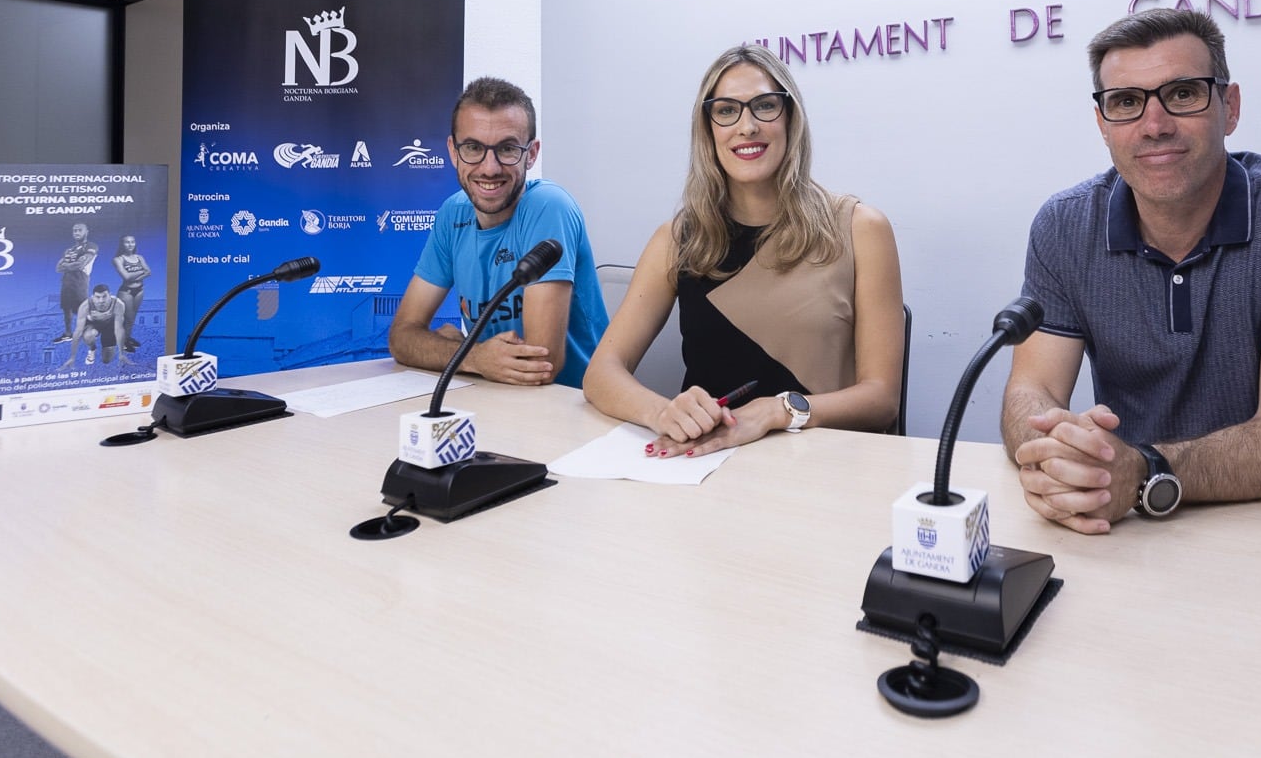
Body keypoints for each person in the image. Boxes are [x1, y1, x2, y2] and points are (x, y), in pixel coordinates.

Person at [1001, 9, 1261, 533]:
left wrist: (1141, 471)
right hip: (1126, 524)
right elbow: (1030, 388)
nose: (1155, 126)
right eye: (1127, 102)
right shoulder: (1064, 225)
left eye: (1183, 94)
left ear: (1230, 106)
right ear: (1103, 124)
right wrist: (1058, 453)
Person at [583, 45, 904, 456]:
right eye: (726, 111)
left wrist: (776, 411)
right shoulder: (679, 237)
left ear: (790, 118)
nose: (746, 126)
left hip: (825, 469)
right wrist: (664, 414)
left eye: (764, 106)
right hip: (706, 468)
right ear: (708, 128)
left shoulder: (861, 228)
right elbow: (601, 374)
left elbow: (881, 400)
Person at [387, 77, 608, 387]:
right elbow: (401, 337)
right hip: (494, 399)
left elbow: (540, 364)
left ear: (531, 153)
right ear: (453, 151)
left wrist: (448, 351)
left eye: (507, 148)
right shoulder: (453, 214)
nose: (489, 168)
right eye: (473, 147)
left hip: (572, 407)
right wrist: (474, 356)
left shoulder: (548, 206)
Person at [52, 222, 99, 343]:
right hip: (66, 280)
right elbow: (58, 268)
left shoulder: (90, 246)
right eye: (75, 231)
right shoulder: (69, 250)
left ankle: (93, 328)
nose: (77, 233)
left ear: (86, 232)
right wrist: (71, 266)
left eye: (80, 230)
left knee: (82, 307)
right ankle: (68, 333)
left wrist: (67, 265)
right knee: (66, 308)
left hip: (80, 279)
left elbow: (81, 264)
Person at [61, 283, 126, 369]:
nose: (101, 300)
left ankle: (107, 350)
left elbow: (119, 329)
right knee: (88, 335)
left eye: (104, 296)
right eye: (98, 297)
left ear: (110, 295)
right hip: (93, 324)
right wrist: (72, 357)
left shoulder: (118, 304)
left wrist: (121, 354)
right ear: (93, 297)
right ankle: (92, 349)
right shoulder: (85, 306)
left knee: (107, 360)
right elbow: (78, 332)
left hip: (109, 325)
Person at [112, 234, 151, 352]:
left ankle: (127, 338)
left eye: (132, 242)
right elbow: (126, 277)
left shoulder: (139, 257)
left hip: (139, 290)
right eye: (127, 242)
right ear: (122, 244)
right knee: (127, 318)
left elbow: (149, 271)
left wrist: (134, 275)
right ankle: (121, 342)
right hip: (126, 292)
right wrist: (140, 272)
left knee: (132, 318)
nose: (130, 244)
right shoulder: (118, 259)